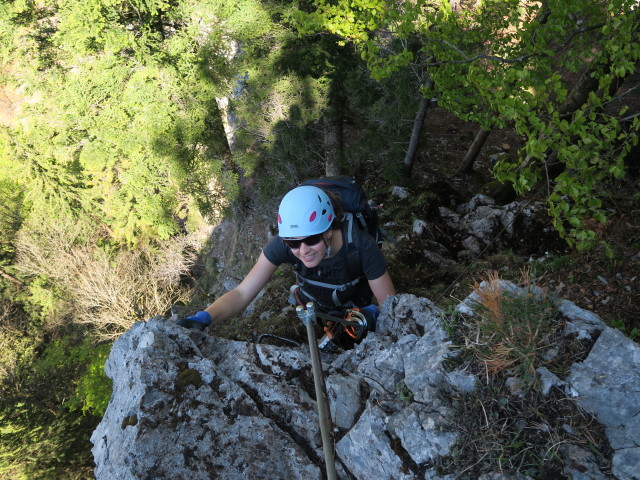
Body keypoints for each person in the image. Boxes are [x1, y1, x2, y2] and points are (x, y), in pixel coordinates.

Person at [177, 184, 396, 348]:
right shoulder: (281, 245)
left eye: (311, 240)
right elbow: (242, 293)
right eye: (293, 243)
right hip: (315, 306)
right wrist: (204, 317)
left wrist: (372, 313)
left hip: (354, 308)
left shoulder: (361, 247)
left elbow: (391, 305)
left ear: (329, 230)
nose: (303, 250)